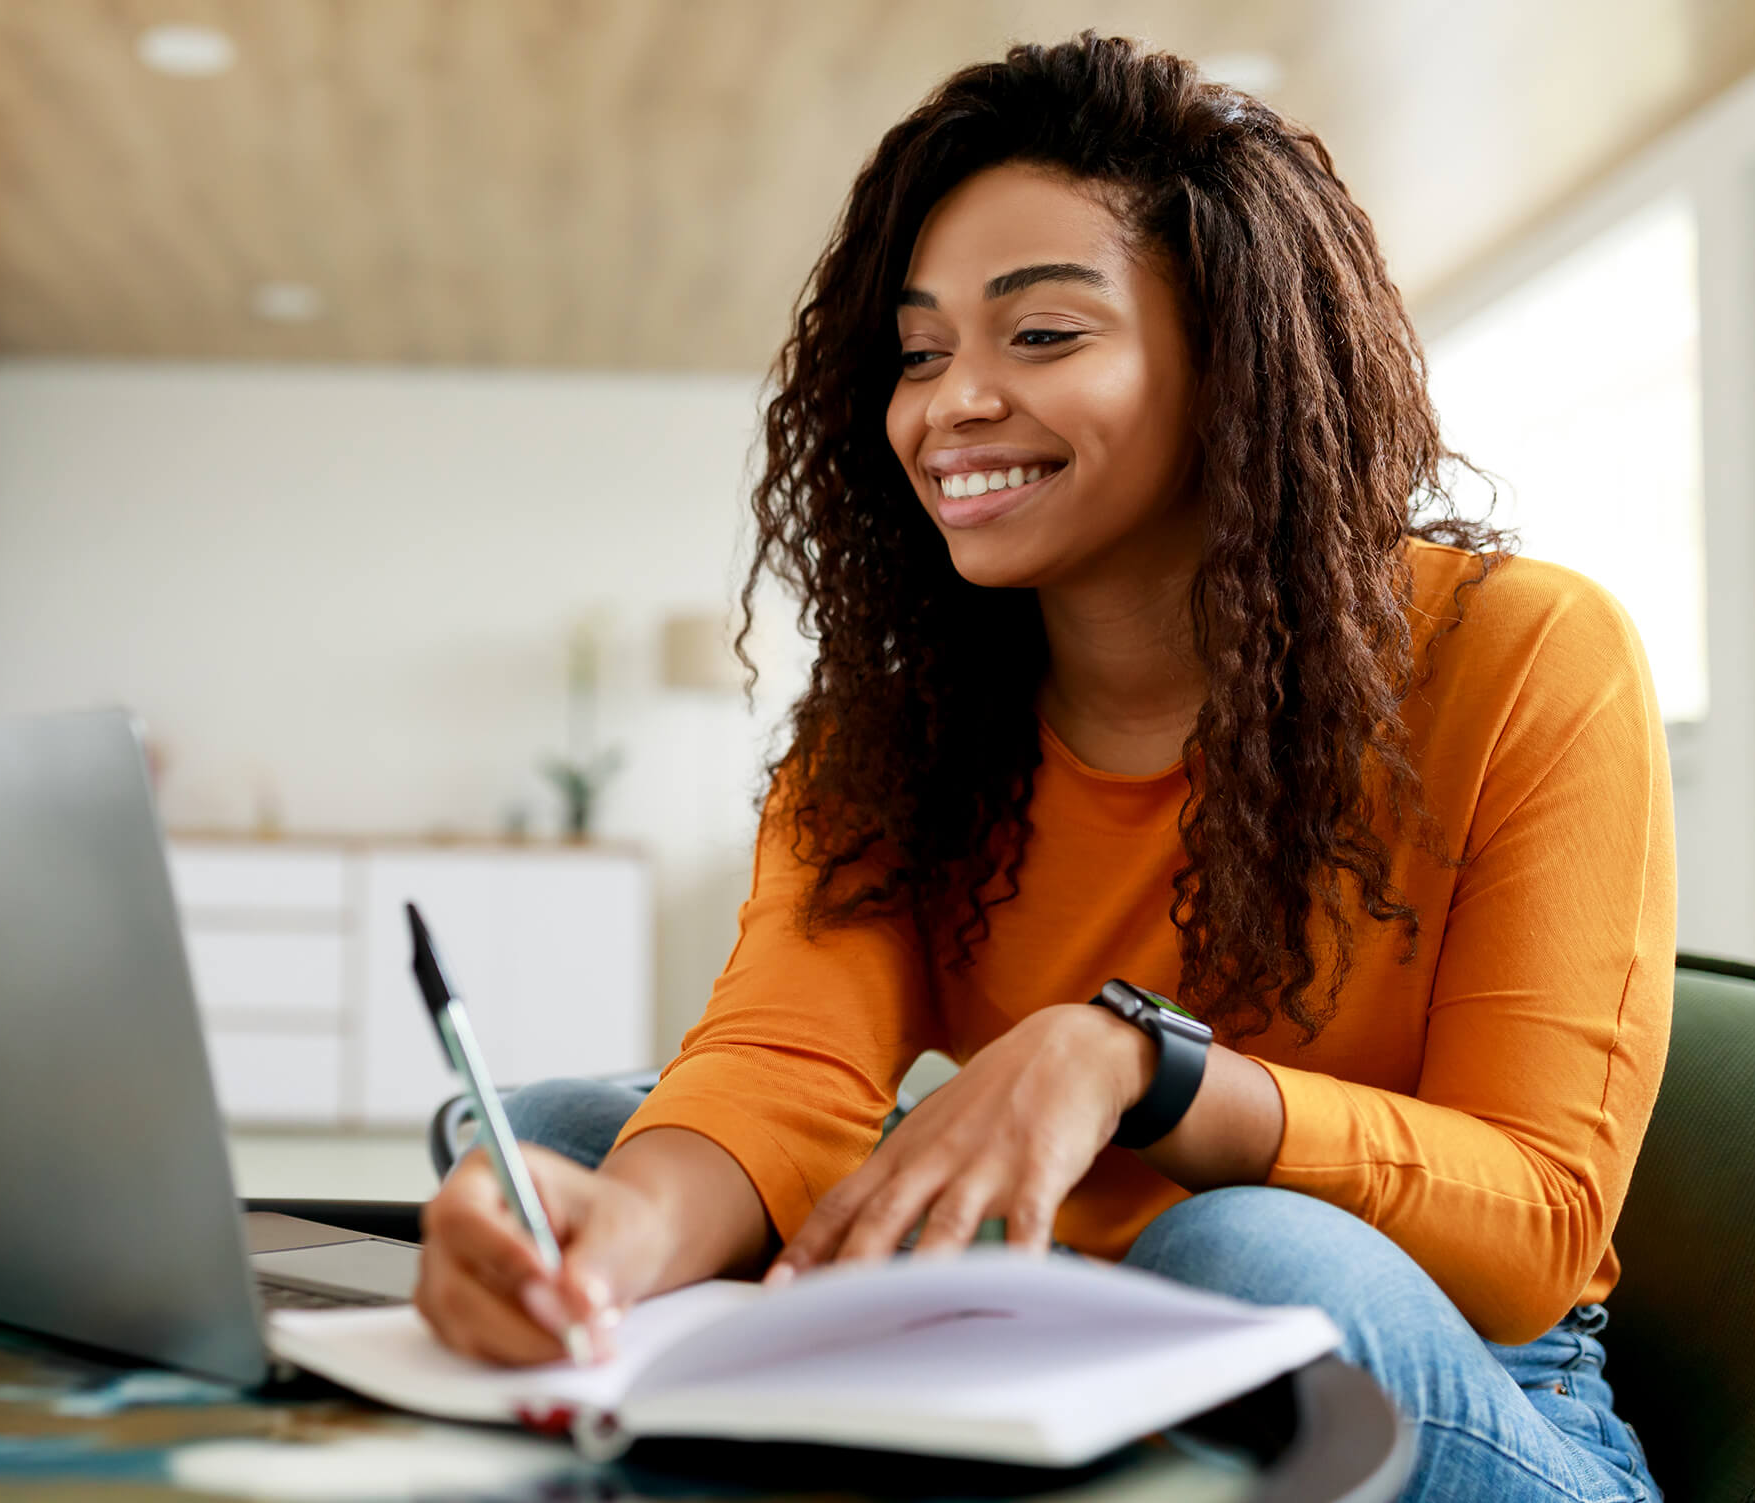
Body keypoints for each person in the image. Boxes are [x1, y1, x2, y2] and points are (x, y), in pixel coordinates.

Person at [416, 33, 1669, 1503]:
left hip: (1450, 1385)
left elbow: (1536, 1223)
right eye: (922, 351)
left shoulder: (1526, 654)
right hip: (1058, 1338)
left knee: (1243, 1252)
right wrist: (609, 1245)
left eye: (1044, 335)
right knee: (579, 1141)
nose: (949, 407)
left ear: (1237, 360)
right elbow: (782, 1063)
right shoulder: (891, 733)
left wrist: (1139, 1063)